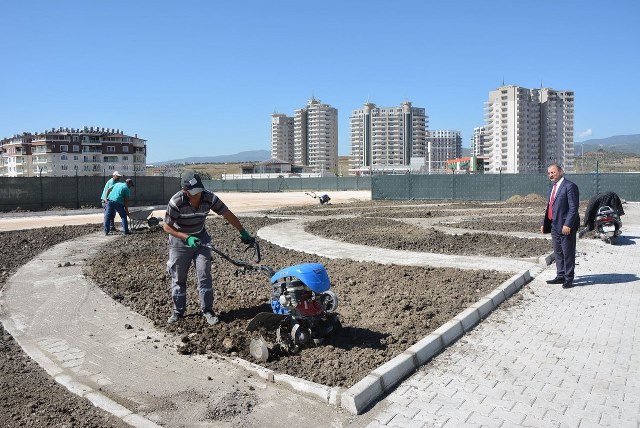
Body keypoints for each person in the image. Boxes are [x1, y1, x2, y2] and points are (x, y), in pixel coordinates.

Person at [163, 172, 255, 325]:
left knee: (204, 274)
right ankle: (178, 311)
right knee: (179, 278)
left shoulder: (209, 197)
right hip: (179, 242)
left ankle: (208, 310)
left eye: (199, 191)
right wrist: (186, 237)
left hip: (201, 240)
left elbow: (226, 213)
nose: (197, 195)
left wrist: (242, 231)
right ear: (185, 190)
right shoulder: (176, 202)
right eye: (193, 193)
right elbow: (166, 227)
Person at [540, 163, 580, 289]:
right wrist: (545, 224)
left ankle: (569, 278)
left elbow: (573, 208)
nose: (551, 175)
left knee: (568, 252)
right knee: (558, 252)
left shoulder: (570, 186)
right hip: (554, 226)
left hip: (565, 226)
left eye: (553, 172)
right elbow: (550, 207)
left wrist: (568, 224)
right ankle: (560, 275)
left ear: (561, 172)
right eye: (549, 173)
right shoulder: (552, 187)